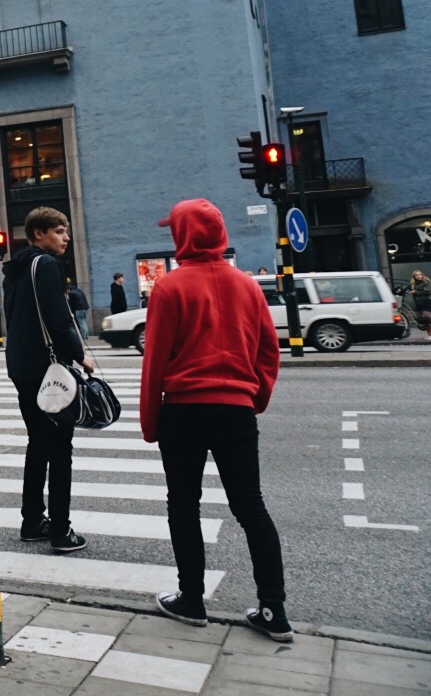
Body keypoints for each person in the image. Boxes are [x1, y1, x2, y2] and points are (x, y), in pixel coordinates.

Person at [144, 199, 291, 641]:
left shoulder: (171, 288)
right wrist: (254, 398)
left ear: (182, 234)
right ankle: (273, 610)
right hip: (236, 410)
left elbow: (155, 361)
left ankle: (192, 599)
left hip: (184, 411)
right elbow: (269, 352)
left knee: (184, 504)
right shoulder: (247, 285)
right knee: (251, 506)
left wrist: (151, 421)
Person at [3, 206, 93, 554]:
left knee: (37, 443)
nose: (66, 237)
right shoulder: (47, 266)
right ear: (39, 233)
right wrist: (80, 353)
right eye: (59, 231)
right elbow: (58, 318)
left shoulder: (16, 268)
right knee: (60, 449)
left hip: (22, 366)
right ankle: (60, 530)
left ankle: (31, 521)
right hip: (48, 369)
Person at [411, 271, 431, 335]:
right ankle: (429, 335)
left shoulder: (425, 282)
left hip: (426, 302)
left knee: (427, 317)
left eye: (420, 274)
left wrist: (416, 292)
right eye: (416, 275)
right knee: (422, 320)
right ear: (414, 277)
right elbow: (407, 289)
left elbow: (428, 292)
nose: (419, 276)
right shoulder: (414, 284)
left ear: (422, 275)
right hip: (418, 303)